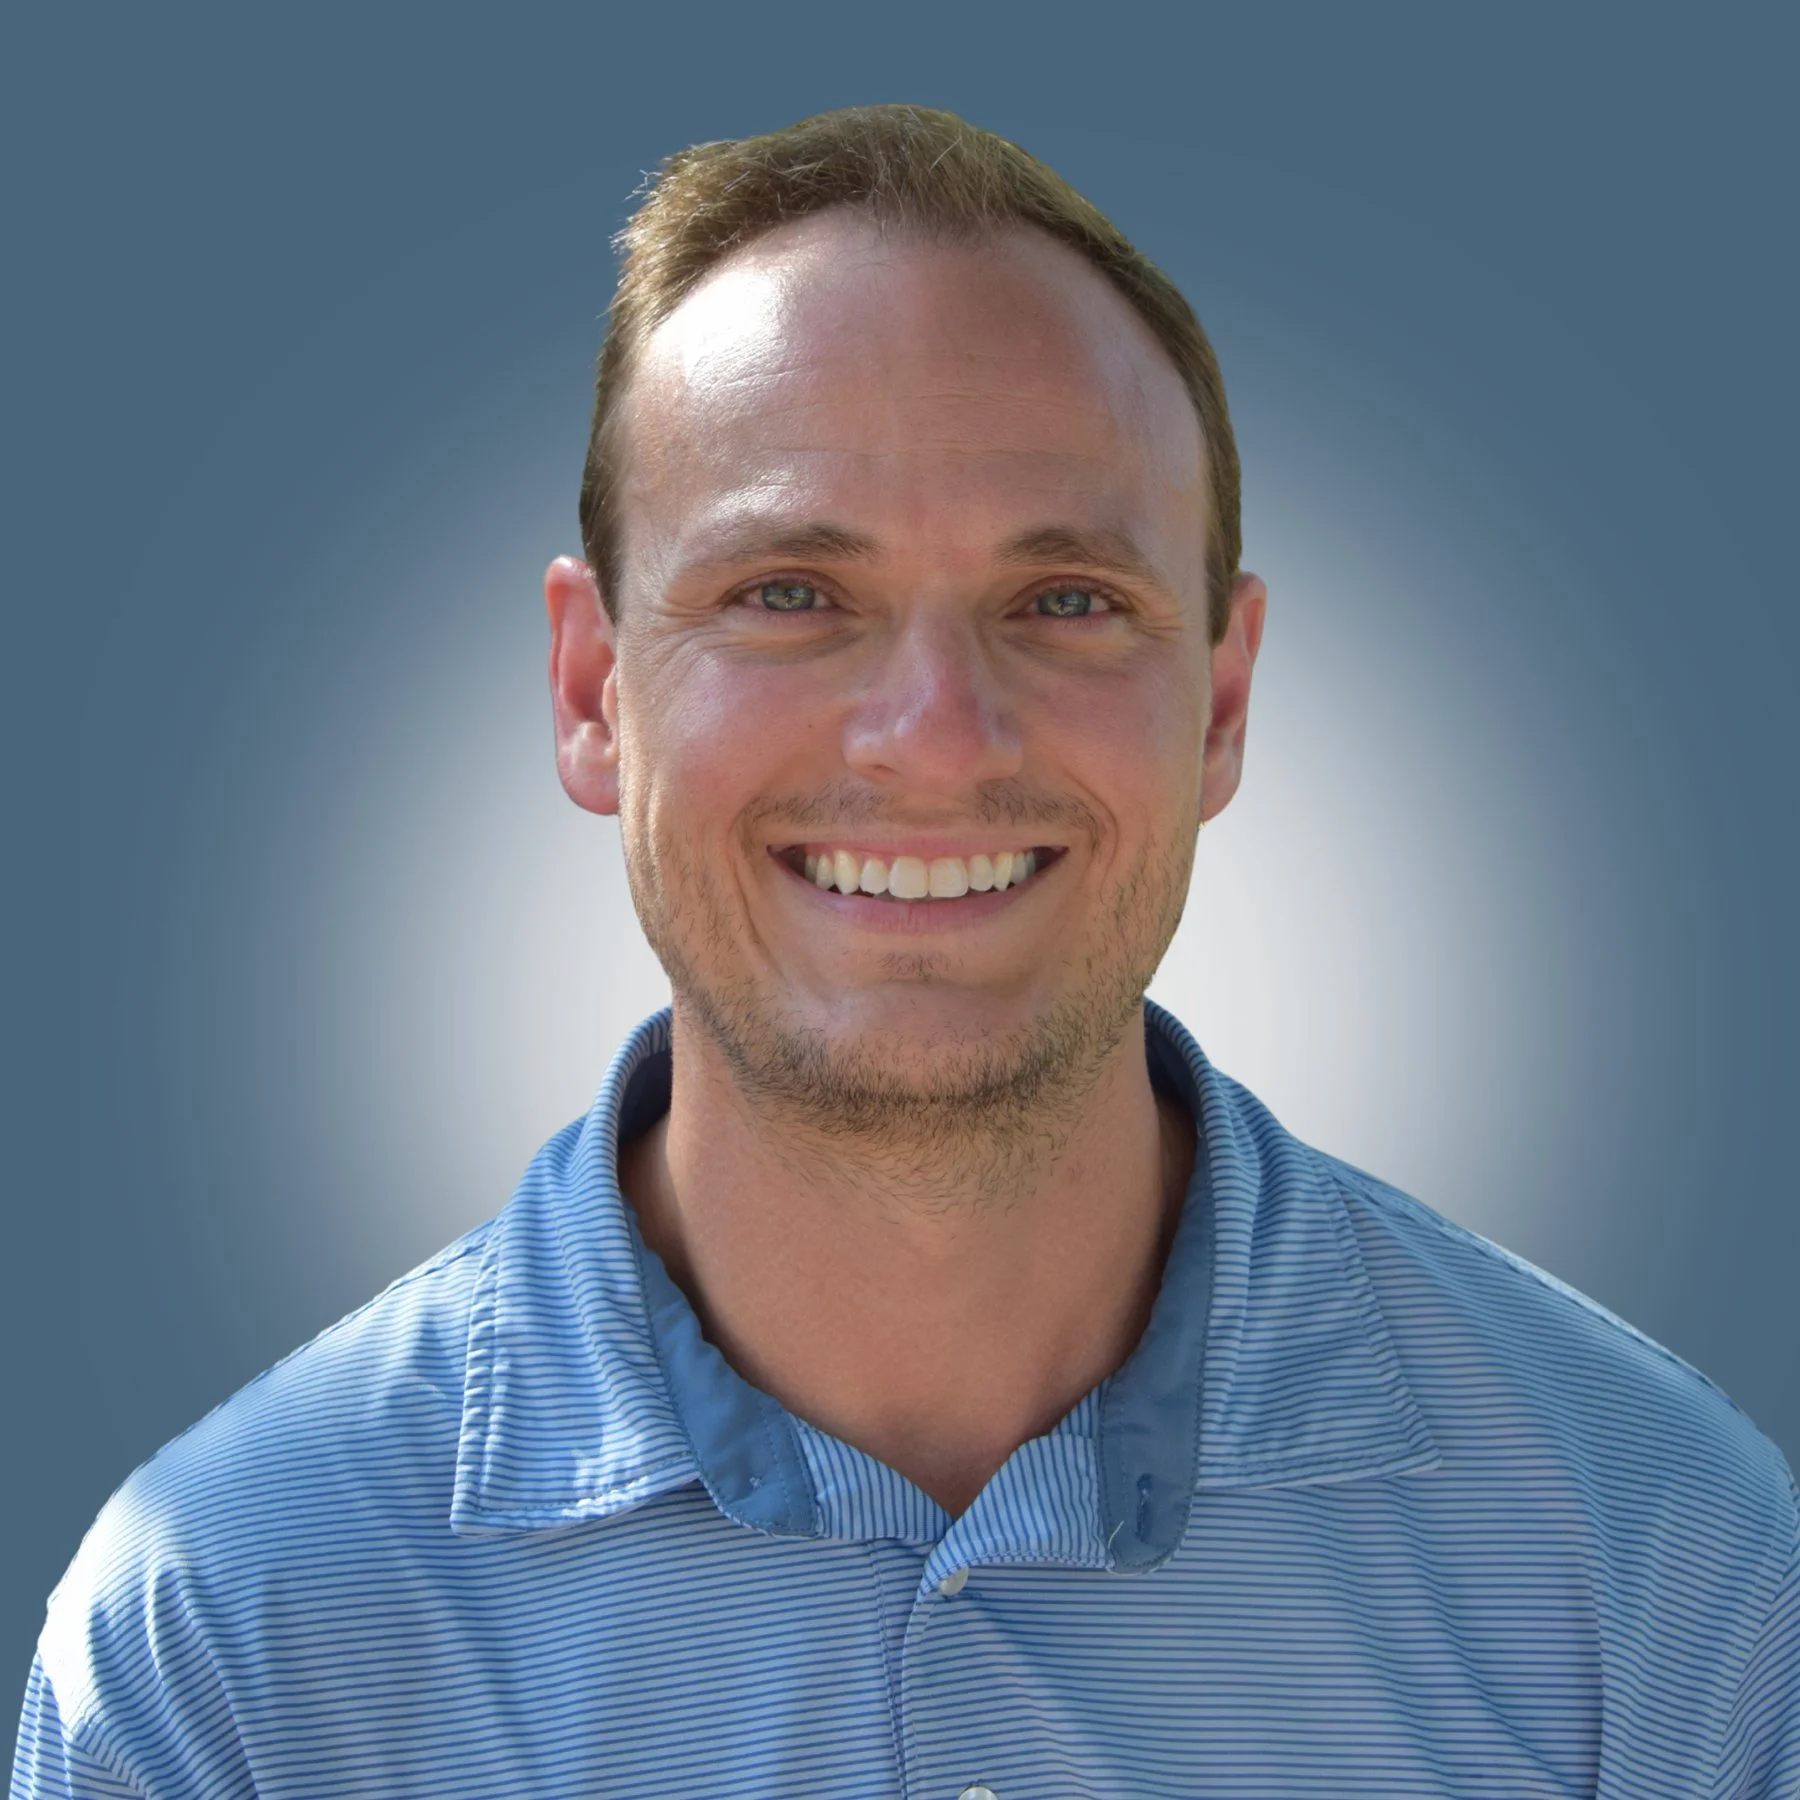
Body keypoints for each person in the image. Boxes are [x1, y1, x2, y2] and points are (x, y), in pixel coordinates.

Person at [12, 102, 1798, 1800]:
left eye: (1068, 600)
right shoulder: (225, 1630)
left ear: (1223, 706)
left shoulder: (1666, 1562)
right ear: (589, 693)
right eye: (791, 593)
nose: (936, 737)